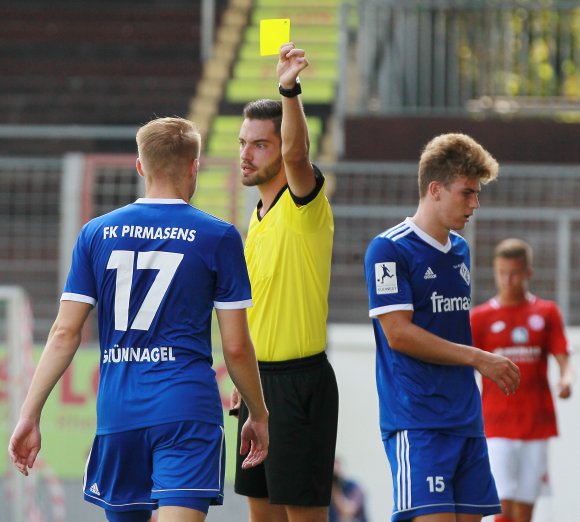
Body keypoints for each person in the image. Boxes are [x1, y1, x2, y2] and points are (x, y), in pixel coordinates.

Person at [8, 116, 269, 522]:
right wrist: (258, 412)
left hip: (119, 413)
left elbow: (64, 332)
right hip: (186, 410)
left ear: (140, 166)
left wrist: (29, 413)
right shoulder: (218, 236)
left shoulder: (95, 233)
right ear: (193, 166)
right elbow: (235, 346)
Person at [363, 133, 521, 522]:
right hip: (418, 422)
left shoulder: (461, 250)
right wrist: (478, 358)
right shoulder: (388, 249)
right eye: (467, 193)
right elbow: (397, 334)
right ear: (435, 189)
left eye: (477, 193)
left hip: (466, 420)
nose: (475, 204)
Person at [230, 42, 338, 522]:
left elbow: (297, 154)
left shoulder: (304, 201)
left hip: (300, 382)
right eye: (242, 143)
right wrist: (244, 380)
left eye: (260, 144)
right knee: (261, 516)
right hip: (259, 385)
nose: (246, 155)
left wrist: (288, 88)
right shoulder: (255, 216)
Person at [470, 238, 574, 522]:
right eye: (502, 273)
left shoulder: (546, 312)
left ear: (527, 273)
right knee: (501, 502)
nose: (508, 280)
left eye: (514, 273)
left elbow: (563, 356)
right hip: (496, 425)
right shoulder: (480, 318)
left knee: (525, 507)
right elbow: (466, 365)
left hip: (536, 424)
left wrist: (566, 380)